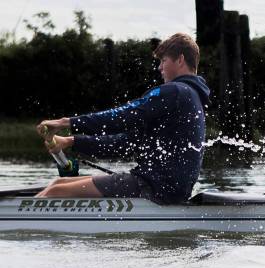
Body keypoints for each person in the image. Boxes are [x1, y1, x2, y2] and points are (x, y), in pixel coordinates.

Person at [35, 33, 210, 204]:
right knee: (59, 184)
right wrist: (72, 141)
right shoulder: (190, 98)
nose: (159, 67)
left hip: (153, 187)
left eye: (163, 61)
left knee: (56, 192)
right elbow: (125, 143)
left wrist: (66, 122)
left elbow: (121, 117)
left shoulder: (176, 91)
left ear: (180, 60)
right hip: (164, 188)